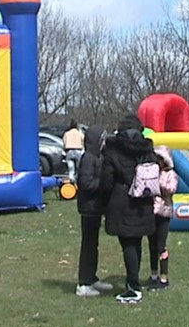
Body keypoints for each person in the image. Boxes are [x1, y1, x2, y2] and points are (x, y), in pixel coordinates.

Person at [99, 115, 157, 304]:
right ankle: (134, 282)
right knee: (137, 242)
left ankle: (133, 287)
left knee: (128, 245)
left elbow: (107, 180)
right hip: (143, 201)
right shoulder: (147, 148)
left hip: (122, 200)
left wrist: (103, 200)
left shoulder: (113, 149)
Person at [74, 126, 114, 297]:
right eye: (102, 140)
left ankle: (92, 277)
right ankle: (83, 283)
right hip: (88, 208)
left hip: (96, 207)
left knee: (94, 245)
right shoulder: (88, 159)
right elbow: (86, 183)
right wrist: (103, 183)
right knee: (88, 245)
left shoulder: (98, 157)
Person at [147, 146, 179, 291]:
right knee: (151, 245)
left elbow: (171, 189)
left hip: (164, 213)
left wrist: (158, 185)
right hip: (151, 212)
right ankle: (153, 275)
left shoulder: (170, 174)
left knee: (161, 245)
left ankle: (164, 277)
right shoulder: (152, 172)